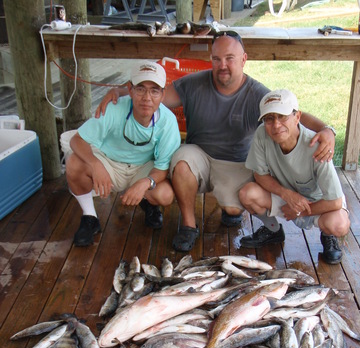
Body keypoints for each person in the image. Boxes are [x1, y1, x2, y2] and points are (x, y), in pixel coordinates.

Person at [96, 31, 336, 252]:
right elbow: (154, 96)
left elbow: (289, 113)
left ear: (243, 59)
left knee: (233, 209)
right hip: (198, 156)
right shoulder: (193, 83)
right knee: (181, 160)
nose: (223, 65)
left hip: (236, 163)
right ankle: (189, 225)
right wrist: (120, 92)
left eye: (230, 58)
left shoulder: (257, 93)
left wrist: (327, 130)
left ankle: (235, 210)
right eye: (217, 59)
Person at [66, 61, 181, 246]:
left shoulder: (168, 122)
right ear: (130, 89)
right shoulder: (113, 107)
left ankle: (148, 203)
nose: (147, 97)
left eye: (154, 91)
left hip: (143, 168)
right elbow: (77, 140)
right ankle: (90, 217)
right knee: (73, 163)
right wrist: (95, 165)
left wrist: (145, 183)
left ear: (162, 94)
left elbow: (162, 167)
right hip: (109, 162)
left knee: (165, 195)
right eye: (140, 89)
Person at [239, 89, 350, 264]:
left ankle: (328, 236)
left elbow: (335, 202)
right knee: (247, 194)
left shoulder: (317, 146)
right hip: (287, 197)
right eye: (269, 118)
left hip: (319, 203)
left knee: (339, 225)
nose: (276, 125)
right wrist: (286, 194)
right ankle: (273, 230)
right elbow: (260, 175)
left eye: (282, 117)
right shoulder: (262, 134)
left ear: (297, 117)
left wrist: (299, 210)